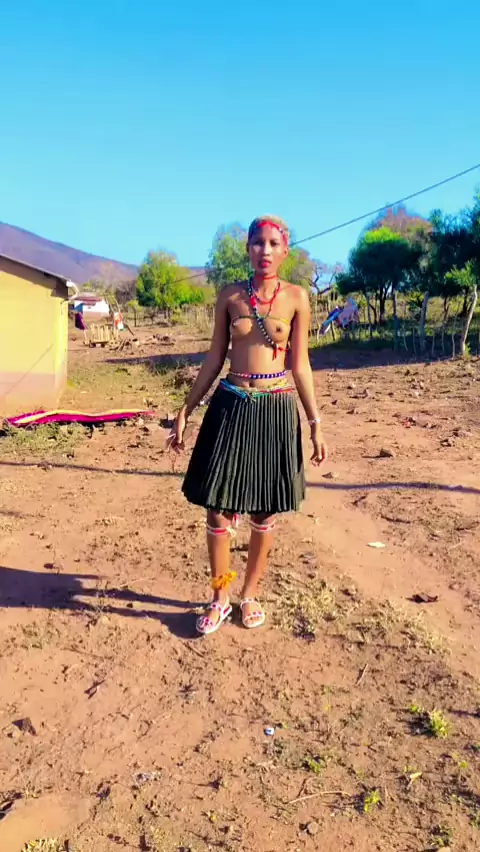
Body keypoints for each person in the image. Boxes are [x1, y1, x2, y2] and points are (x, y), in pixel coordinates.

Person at [169, 216, 328, 635]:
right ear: (248, 249)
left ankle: (250, 594)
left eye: (274, 243)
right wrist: (187, 408)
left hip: (275, 409)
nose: (265, 251)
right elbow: (214, 358)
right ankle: (220, 596)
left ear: (285, 251)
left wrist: (315, 422)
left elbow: (301, 365)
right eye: (258, 242)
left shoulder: (296, 298)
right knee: (217, 507)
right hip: (231, 404)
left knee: (264, 508)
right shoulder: (230, 296)